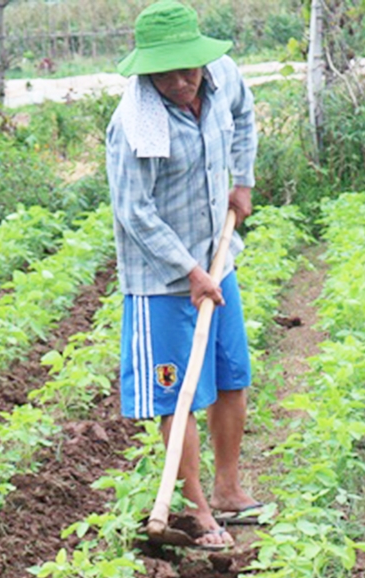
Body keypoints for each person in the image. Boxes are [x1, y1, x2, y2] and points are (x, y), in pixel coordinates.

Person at [106, 0, 261, 549]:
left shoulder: (222, 77)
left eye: (187, 69)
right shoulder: (135, 122)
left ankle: (229, 491)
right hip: (163, 280)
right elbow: (134, 211)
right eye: (165, 72)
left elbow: (244, 116)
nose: (179, 82)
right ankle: (194, 511)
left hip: (219, 258)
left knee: (231, 375)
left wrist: (240, 180)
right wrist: (190, 271)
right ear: (146, 69)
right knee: (177, 395)